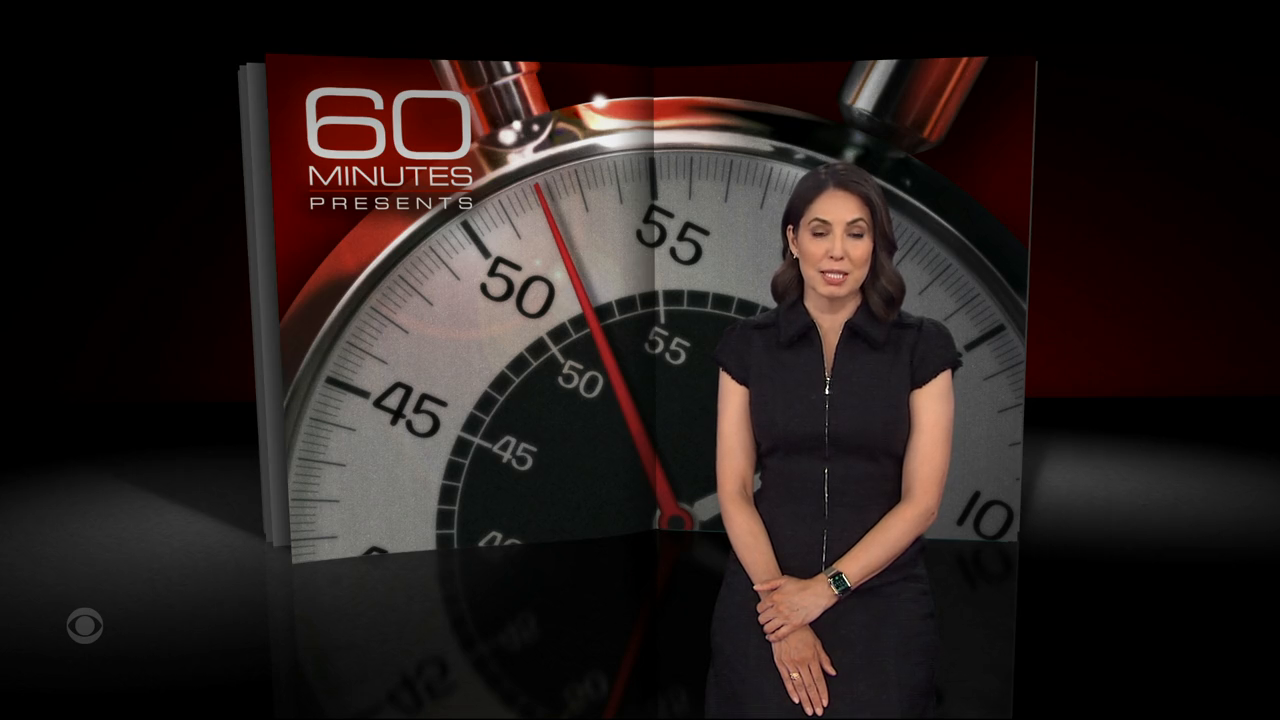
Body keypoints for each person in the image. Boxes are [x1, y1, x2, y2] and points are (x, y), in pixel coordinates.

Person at [704, 161, 962, 718]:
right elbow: (735, 490)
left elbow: (922, 503)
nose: (837, 252)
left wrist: (824, 590)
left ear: (876, 245)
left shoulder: (922, 348)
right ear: (794, 240)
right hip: (764, 593)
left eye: (856, 233)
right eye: (820, 232)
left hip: (883, 596)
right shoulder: (746, 347)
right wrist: (783, 612)